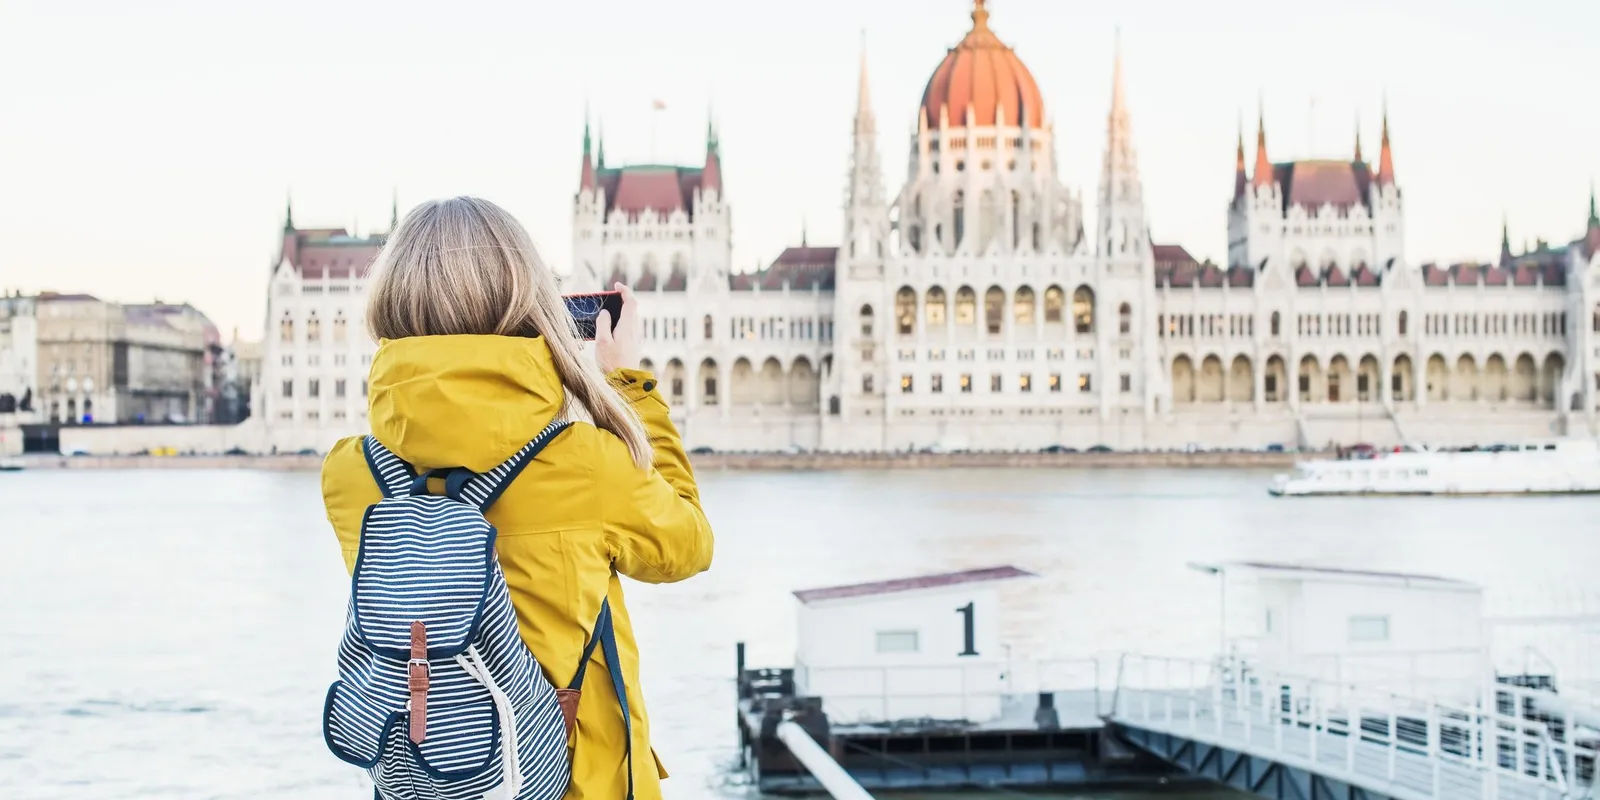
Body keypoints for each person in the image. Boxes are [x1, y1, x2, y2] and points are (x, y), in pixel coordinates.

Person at [321, 196, 714, 799]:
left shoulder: (350, 473)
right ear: (527, 300)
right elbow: (688, 546)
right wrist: (627, 385)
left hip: (429, 777)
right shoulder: (587, 462)